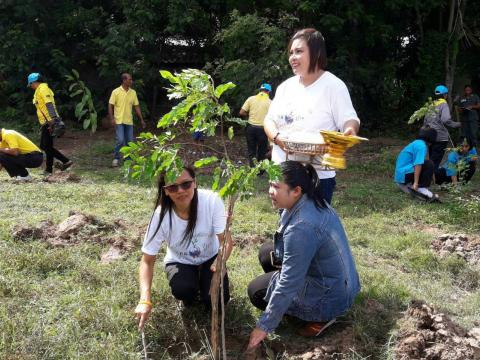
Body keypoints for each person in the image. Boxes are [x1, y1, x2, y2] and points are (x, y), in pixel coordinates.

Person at [246, 161, 360, 349]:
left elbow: (289, 283)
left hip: (330, 294)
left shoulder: (302, 227)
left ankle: (322, 318)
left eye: (276, 186)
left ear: (296, 191)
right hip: (341, 282)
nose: (269, 191)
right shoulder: (312, 200)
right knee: (267, 253)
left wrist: (264, 325)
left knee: (256, 291)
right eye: (270, 184)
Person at [263, 28, 360, 204]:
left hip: (317, 175)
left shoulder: (333, 86)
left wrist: (349, 131)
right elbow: (269, 120)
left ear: (316, 53)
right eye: (291, 52)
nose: (293, 57)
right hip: (284, 174)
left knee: (314, 226)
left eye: (299, 51)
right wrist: (277, 139)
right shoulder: (285, 87)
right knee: (287, 226)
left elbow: (349, 119)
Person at [134, 167, 233, 329]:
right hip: (179, 260)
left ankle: (205, 282)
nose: (180, 191)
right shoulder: (161, 216)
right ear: (165, 191)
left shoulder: (211, 201)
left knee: (217, 300)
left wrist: (219, 262)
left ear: (195, 183)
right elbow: (147, 260)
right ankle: (192, 289)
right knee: (183, 290)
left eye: (186, 184)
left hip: (212, 258)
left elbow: (226, 242)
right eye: (172, 187)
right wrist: (145, 299)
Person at [28, 72, 72, 176]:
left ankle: (65, 161)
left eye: (31, 84)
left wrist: (53, 119)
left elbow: (48, 103)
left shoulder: (43, 88)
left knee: (45, 146)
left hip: (50, 121)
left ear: (34, 82)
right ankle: (48, 170)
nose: (31, 87)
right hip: (46, 121)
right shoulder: (39, 90)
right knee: (47, 146)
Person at [108, 73, 146, 167]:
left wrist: (141, 119)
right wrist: (112, 118)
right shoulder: (116, 92)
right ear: (124, 80)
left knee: (129, 142)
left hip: (129, 121)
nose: (131, 81)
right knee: (120, 140)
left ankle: (127, 160)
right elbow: (110, 105)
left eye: (131, 79)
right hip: (119, 120)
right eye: (129, 79)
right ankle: (116, 158)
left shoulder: (133, 92)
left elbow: (136, 106)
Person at [394, 127, 438, 201]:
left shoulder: (417, 143)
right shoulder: (422, 146)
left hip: (401, 177)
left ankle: (413, 186)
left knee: (427, 163)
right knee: (429, 164)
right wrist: (416, 183)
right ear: (431, 138)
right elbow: (418, 164)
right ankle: (421, 188)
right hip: (404, 176)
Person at [423, 85, 461, 170]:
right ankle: (431, 177)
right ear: (444, 95)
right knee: (435, 160)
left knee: (431, 158)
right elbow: (445, 119)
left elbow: (425, 121)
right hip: (440, 137)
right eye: (446, 94)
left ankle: (430, 177)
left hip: (430, 136)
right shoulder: (443, 104)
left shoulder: (431, 104)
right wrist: (457, 124)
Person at [240, 83, 272, 167]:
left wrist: (249, 115)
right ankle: (260, 170)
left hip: (251, 128)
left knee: (251, 151)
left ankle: (252, 169)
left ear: (260, 90)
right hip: (263, 130)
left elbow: (242, 112)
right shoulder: (270, 103)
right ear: (268, 92)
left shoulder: (251, 99)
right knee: (262, 151)